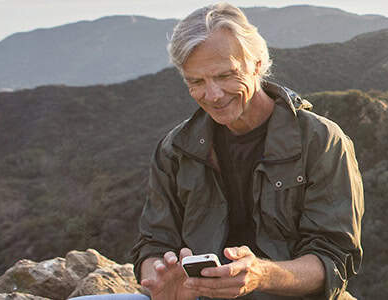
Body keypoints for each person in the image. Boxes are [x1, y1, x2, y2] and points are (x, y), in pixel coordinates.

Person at [125, 3, 363, 300]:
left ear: (258, 64)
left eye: (225, 76)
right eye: (196, 82)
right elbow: (153, 243)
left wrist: (261, 276)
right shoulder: (175, 150)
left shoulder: (321, 141)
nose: (212, 95)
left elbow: (334, 261)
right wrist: (161, 277)